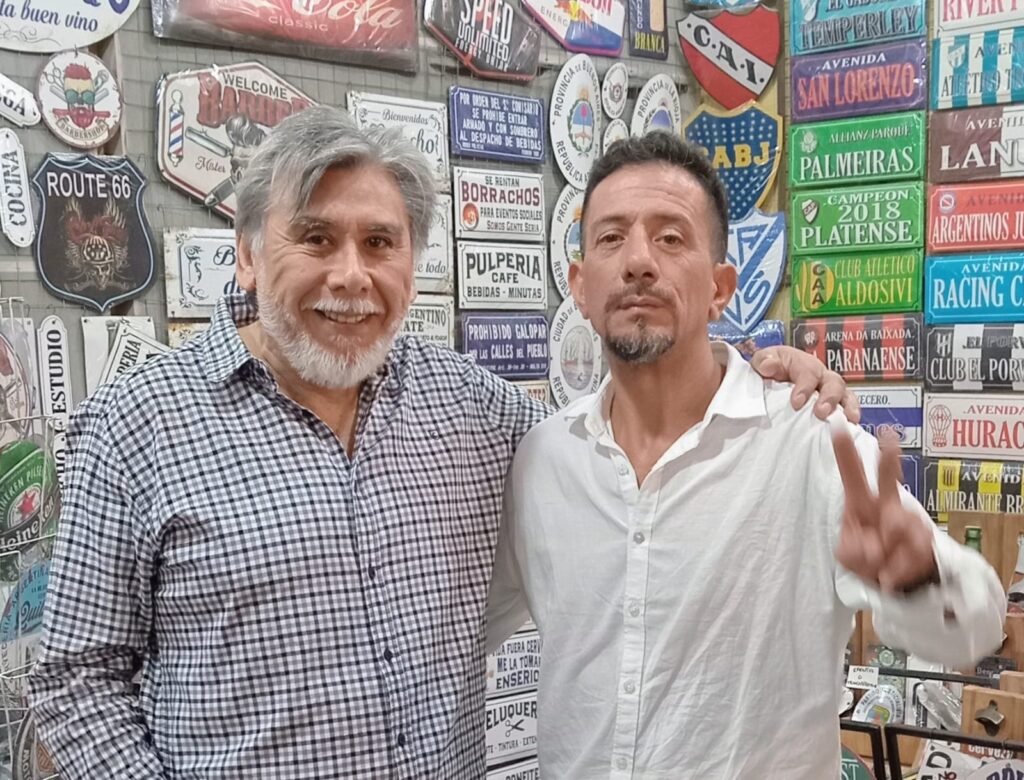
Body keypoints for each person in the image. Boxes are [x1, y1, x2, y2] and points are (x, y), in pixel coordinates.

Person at [28, 106, 855, 778]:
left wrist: (757, 379)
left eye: (379, 243)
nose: (351, 274)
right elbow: (75, 679)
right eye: (315, 238)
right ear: (245, 256)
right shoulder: (138, 424)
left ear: (410, 263)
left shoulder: (473, 410)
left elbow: (636, 444)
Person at [486, 133, 1005, 779]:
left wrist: (915, 577)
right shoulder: (544, 460)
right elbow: (457, 630)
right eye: (611, 238)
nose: (639, 260)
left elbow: (973, 632)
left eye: (670, 238)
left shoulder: (810, 441)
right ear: (580, 287)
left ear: (720, 288)